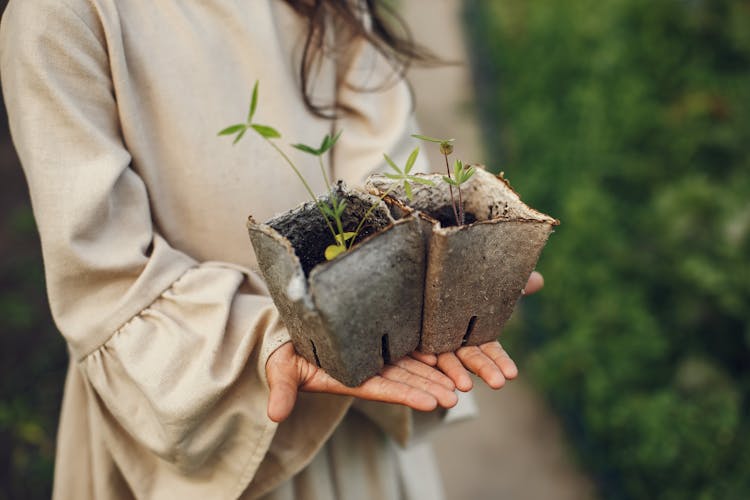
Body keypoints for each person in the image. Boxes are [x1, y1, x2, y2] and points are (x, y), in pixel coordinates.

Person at [0, 1, 542, 498]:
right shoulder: (61, 15)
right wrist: (271, 344)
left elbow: (384, 170)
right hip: (208, 413)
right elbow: (107, 283)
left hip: (357, 405)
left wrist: (435, 267)